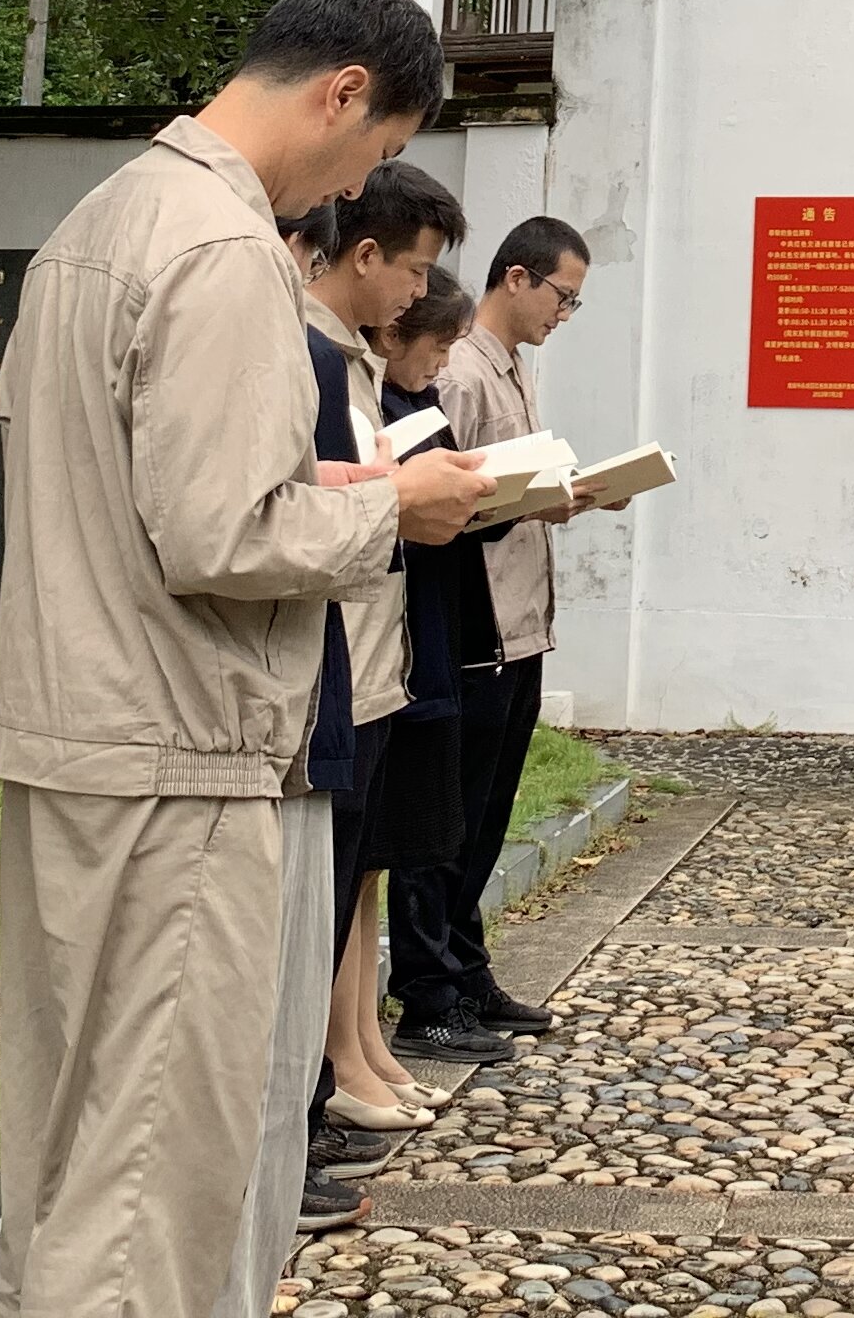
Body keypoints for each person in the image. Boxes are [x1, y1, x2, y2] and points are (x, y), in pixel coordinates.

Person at [0, 0, 490, 1318]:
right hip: (183, 752)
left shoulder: (102, 219)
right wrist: (395, 509)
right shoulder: (221, 247)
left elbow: (141, 488)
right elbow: (221, 534)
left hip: (80, 732)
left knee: (75, 1155)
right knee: (152, 1180)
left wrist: (336, 491)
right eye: (380, 149)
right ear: (342, 93)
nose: (358, 187)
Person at [292, 162, 467, 1166]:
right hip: (333, 663)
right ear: (362, 255)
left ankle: (339, 1074)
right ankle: (308, 1111)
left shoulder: (351, 357)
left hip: (373, 660)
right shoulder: (313, 355)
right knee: (319, 900)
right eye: (414, 271)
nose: (419, 292)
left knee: (350, 882)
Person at [394, 214, 593, 1056]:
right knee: (447, 819)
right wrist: (532, 500)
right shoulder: (463, 370)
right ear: (517, 277)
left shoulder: (511, 366)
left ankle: (467, 971)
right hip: (474, 623)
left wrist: (562, 494)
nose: (563, 314)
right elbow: (446, 504)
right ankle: (429, 991)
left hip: (519, 624)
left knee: (485, 815)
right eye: (562, 296)